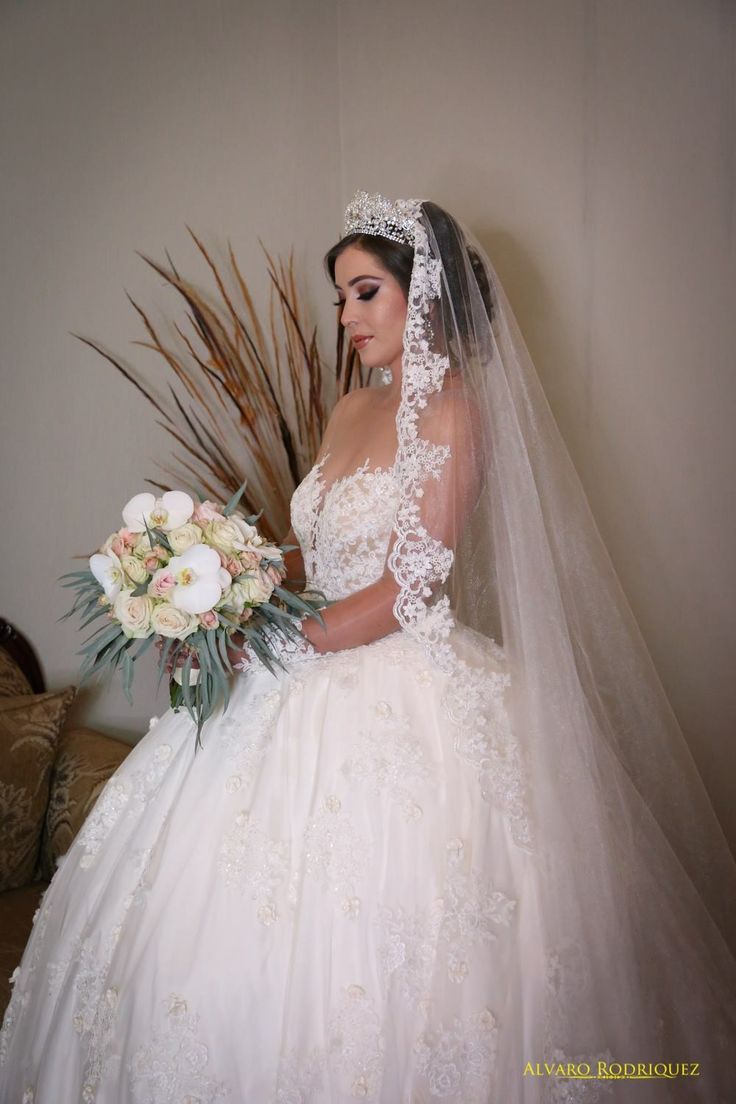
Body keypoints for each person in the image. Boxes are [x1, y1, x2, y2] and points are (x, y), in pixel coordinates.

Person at [1, 192, 735, 1103]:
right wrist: (231, 591)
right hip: (299, 652)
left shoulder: (458, 414)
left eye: (365, 292)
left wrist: (280, 640)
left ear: (422, 295)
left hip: (396, 672)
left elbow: (407, 585)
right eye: (340, 297)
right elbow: (323, 547)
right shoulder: (352, 409)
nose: (345, 316)